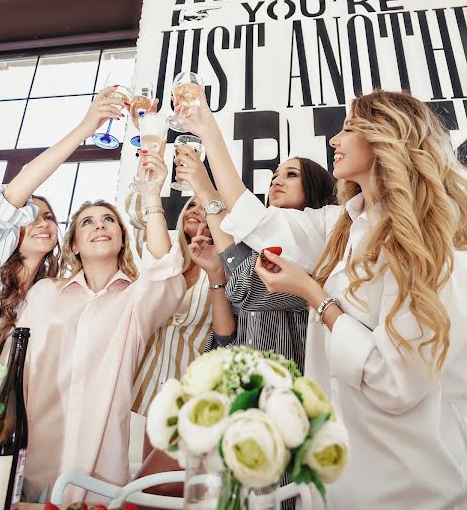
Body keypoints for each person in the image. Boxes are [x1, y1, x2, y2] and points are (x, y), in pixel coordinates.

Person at [174, 88, 467, 509]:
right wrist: (207, 127)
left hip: (409, 482)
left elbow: (395, 382)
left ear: (385, 138)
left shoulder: (430, 244)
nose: (334, 140)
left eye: (348, 128)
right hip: (341, 475)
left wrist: (313, 295)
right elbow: (254, 220)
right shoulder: (342, 223)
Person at [12, 150, 186, 505]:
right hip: (30, 472)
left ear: (122, 239)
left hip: (99, 481)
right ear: (73, 245)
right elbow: (18, 376)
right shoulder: (44, 294)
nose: (100, 226)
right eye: (87, 222)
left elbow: (165, 271)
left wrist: (152, 194)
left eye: (109, 220)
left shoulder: (137, 301)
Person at [0, 85, 124, 356]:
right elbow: (13, 196)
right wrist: (86, 129)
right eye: (30, 218)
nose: (43, 223)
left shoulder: (53, 293)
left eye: (49, 217)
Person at [176, 147, 336, 371]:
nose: (276, 181)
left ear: (315, 185)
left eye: (291, 174)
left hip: (290, 391)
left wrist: (205, 190)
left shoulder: (319, 249)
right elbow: (227, 337)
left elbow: (244, 290)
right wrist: (216, 273)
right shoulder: (251, 249)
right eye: (274, 177)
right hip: (243, 384)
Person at [125, 149, 233, 476]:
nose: (197, 211)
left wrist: (213, 270)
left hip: (192, 391)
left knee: (168, 483)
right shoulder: (165, 253)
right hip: (141, 390)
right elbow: (137, 214)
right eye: (193, 205)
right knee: (137, 477)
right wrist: (149, 156)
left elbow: (225, 332)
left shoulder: (227, 267)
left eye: (206, 207)